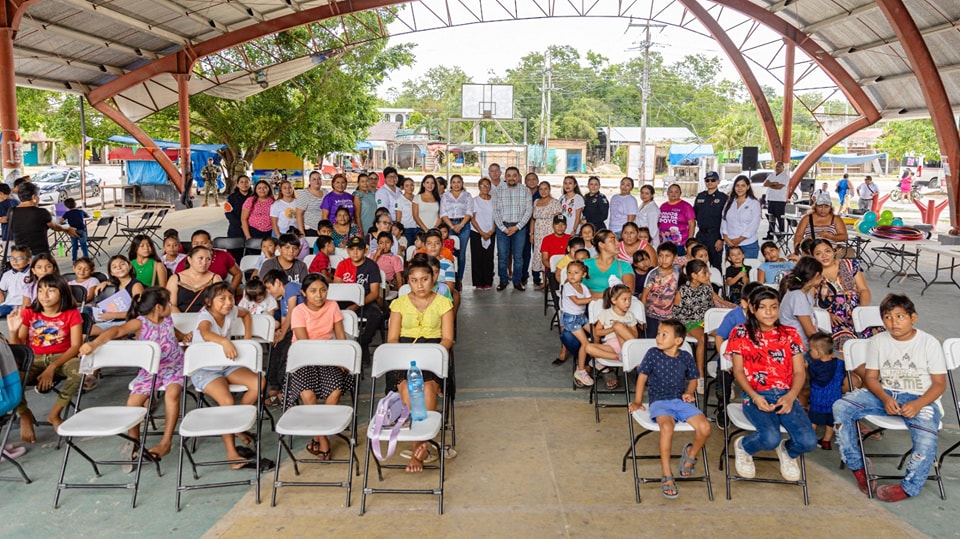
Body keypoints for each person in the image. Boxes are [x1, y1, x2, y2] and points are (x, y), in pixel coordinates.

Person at [833, 293, 946, 502]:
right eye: (887, 317)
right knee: (841, 407)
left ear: (913, 317)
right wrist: (885, 398)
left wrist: (918, 403)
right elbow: (871, 377)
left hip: (921, 398)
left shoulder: (929, 343)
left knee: (927, 439)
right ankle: (859, 467)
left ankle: (909, 487)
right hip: (886, 393)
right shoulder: (878, 341)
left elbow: (940, 384)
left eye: (900, 316)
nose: (893, 322)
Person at [79, 287, 187, 460]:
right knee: (132, 402)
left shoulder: (167, 319)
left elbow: (171, 331)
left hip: (174, 366)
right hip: (150, 369)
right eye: (168, 303)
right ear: (158, 307)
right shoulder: (140, 322)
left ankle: (166, 442)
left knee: (172, 394)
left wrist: (182, 336)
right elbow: (116, 331)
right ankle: (134, 440)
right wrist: (94, 344)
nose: (171, 305)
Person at [727, 287, 816, 481]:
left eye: (774, 307)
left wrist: (792, 396)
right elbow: (739, 371)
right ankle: (744, 446)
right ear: (751, 308)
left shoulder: (790, 333)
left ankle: (787, 451)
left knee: (808, 442)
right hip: (755, 394)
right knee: (770, 437)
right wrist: (755, 396)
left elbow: (800, 372)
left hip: (786, 394)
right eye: (763, 307)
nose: (769, 312)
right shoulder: (740, 333)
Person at [191, 282, 272, 471]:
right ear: (209, 302)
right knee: (226, 401)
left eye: (230, 298)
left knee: (258, 381)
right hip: (205, 369)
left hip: (226, 365)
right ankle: (232, 454)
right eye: (222, 299)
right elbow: (205, 332)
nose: (228, 302)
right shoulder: (206, 317)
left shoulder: (232, 310)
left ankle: (236, 425)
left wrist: (248, 337)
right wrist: (224, 342)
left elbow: (245, 314)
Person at [385, 256, 455, 472]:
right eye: (414, 281)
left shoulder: (444, 303)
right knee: (408, 388)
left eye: (424, 279)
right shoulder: (399, 303)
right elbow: (393, 340)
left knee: (427, 390)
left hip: (434, 351)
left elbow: (447, 339)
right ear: (408, 282)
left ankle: (420, 448)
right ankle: (420, 447)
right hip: (404, 353)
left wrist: (432, 355)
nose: (419, 285)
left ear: (433, 278)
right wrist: (407, 357)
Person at [628, 319, 711, 499]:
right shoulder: (652, 354)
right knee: (667, 427)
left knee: (705, 427)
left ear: (678, 340)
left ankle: (690, 455)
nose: (658, 337)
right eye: (658, 333)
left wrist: (689, 392)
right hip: (660, 402)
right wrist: (637, 401)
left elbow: (693, 379)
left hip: (680, 402)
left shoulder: (686, 356)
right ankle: (666, 474)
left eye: (663, 335)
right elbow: (642, 378)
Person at [8, 274, 83, 441]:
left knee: (79, 369)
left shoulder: (71, 313)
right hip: (32, 360)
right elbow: (18, 346)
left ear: (62, 293)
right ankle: (24, 414)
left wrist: (52, 367)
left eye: (51, 290)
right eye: (40, 290)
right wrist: (13, 331)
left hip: (62, 359)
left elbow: (76, 346)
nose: (44, 295)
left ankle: (54, 414)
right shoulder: (29, 313)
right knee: (11, 378)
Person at [287, 273, 350, 459]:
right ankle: (322, 439)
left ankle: (317, 433)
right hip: (304, 358)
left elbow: (340, 335)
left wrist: (341, 357)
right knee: (308, 394)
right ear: (304, 292)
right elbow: (304, 343)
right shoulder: (299, 310)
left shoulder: (333, 306)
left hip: (328, 355)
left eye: (323, 290)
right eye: (313, 291)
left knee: (335, 391)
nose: (319, 295)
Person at [712, 281, 766, 424]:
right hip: (731, 358)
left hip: (754, 360)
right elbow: (719, 337)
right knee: (723, 378)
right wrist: (727, 361)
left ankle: (751, 405)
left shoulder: (763, 317)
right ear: (744, 303)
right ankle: (722, 407)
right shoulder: (733, 317)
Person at [674, 259, 728, 393]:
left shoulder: (708, 288)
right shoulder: (683, 291)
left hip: (707, 321)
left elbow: (714, 305)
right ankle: (700, 376)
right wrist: (682, 329)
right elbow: (676, 313)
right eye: (704, 273)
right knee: (702, 339)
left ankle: (725, 373)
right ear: (694, 275)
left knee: (725, 336)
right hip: (690, 322)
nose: (708, 275)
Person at [811, 238, 874, 352]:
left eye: (827, 251)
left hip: (856, 315)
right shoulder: (812, 274)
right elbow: (809, 302)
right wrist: (825, 315)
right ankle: (848, 369)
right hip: (834, 321)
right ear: (812, 257)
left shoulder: (849, 265)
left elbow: (864, 290)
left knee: (878, 334)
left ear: (834, 251)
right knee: (846, 340)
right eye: (818, 253)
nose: (824, 256)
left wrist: (860, 311)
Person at [333, 236, 383, 365]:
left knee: (376, 315)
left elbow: (374, 293)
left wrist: (356, 305)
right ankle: (341, 348)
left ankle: (362, 343)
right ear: (348, 251)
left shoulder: (372, 266)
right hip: (344, 300)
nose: (355, 252)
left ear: (365, 250)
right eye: (352, 249)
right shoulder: (342, 264)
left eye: (359, 249)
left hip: (366, 300)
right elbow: (336, 288)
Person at [584, 284, 639, 389]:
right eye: (624, 300)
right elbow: (597, 332)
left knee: (619, 326)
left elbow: (635, 335)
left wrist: (623, 328)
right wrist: (612, 329)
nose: (628, 303)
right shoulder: (606, 313)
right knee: (588, 347)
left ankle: (633, 354)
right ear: (614, 300)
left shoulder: (630, 316)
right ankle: (621, 357)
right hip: (612, 349)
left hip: (626, 345)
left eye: (630, 300)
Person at [494, 166, 533, 291]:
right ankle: (503, 281)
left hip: (519, 228)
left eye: (514, 175)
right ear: (505, 177)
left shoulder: (525, 191)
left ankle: (517, 281)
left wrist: (517, 227)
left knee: (518, 256)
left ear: (518, 177)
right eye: (509, 175)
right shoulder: (498, 191)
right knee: (503, 256)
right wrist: (503, 228)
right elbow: (495, 211)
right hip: (502, 228)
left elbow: (529, 210)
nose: (511, 178)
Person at [8, 182, 76, 255]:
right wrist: (67, 229)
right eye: (38, 195)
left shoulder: (11, 211)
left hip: (22, 255)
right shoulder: (41, 212)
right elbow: (55, 227)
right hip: (39, 254)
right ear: (34, 197)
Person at [777, 256, 823, 353]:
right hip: (799, 349)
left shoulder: (803, 293)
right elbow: (810, 332)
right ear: (817, 275)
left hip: (805, 345)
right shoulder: (798, 296)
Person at [805, 332, 842, 450]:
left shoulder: (814, 366)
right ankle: (826, 442)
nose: (809, 353)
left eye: (810, 350)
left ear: (818, 352)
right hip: (835, 399)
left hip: (817, 399)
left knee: (813, 420)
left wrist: (806, 368)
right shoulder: (840, 364)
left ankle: (807, 440)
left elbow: (811, 378)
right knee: (830, 421)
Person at [175, 230, 242, 292]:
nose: (199, 246)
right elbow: (177, 281)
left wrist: (230, 290)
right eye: (195, 243)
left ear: (211, 243)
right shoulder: (187, 260)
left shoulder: (223, 256)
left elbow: (238, 273)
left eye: (204, 243)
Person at [556, 259, 591, 371]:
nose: (572, 275)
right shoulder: (568, 286)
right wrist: (593, 298)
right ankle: (581, 368)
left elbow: (589, 300)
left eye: (576, 273)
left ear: (583, 274)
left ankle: (597, 360)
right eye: (569, 272)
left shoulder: (583, 287)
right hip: (571, 319)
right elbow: (577, 301)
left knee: (596, 334)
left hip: (581, 317)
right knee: (585, 342)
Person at [641, 242, 680, 338]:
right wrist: (642, 318)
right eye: (661, 256)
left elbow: (678, 293)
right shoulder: (653, 274)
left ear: (675, 257)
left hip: (669, 315)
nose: (663, 259)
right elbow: (644, 295)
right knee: (652, 340)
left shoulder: (677, 272)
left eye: (667, 256)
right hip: (651, 315)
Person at [440, 174, 473, 285]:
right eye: (454, 182)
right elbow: (443, 213)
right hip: (449, 226)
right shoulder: (445, 196)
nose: (456, 184)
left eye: (458, 182)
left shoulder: (467, 196)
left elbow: (469, 212)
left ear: (462, 183)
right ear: (450, 184)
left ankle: (459, 279)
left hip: (464, 225)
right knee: (448, 252)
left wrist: (461, 225)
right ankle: (449, 278)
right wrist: (452, 226)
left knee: (461, 254)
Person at [167, 246, 222, 313]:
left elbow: (219, 304)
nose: (205, 262)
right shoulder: (175, 279)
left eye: (208, 259)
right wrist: (183, 319)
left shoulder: (215, 278)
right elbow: (171, 305)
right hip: (180, 319)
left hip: (206, 318)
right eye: (200, 258)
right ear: (189, 259)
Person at [582, 229, 635, 298]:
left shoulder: (624, 266)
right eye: (612, 241)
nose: (618, 243)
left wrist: (594, 295)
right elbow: (572, 285)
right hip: (586, 305)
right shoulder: (585, 264)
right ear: (601, 245)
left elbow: (629, 289)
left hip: (614, 306)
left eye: (617, 240)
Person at [720, 175, 762, 259]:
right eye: (737, 185)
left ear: (748, 187)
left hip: (747, 245)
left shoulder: (754, 203)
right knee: (732, 270)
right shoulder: (730, 202)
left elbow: (754, 225)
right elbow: (724, 220)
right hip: (730, 244)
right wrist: (725, 237)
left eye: (743, 185)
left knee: (745, 270)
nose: (740, 188)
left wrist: (740, 239)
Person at [529, 182, 562, 289]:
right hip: (538, 234)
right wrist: (532, 233)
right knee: (541, 256)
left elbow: (559, 220)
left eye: (545, 189)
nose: (543, 191)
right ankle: (544, 282)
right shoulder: (536, 202)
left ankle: (551, 281)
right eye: (541, 189)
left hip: (549, 232)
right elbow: (533, 219)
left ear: (549, 189)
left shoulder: (555, 202)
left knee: (550, 256)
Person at [693, 171, 728, 269]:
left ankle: (717, 284)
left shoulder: (723, 198)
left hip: (715, 235)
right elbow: (694, 214)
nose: (710, 182)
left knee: (716, 264)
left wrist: (721, 239)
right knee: (699, 263)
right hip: (701, 234)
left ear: (718, 181)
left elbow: (726, 220)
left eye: (713, 180)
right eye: (707, 180)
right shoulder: (700, 196)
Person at [470, 178, 496, 290]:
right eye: (482, 185)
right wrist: (481, 232)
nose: (485, 188)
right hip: (477, 232)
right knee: (477, 257)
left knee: (488, 258)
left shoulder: (494, 200)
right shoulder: (474, 200)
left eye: (487, 185)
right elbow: (472, 218)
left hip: (491, 232)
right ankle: (478, 282)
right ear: (478, 187)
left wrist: (491, 231)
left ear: (490, 187)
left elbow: (496, 217)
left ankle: (488, 281)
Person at [658, 184, 696, 254]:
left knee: (678, 264)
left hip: (680, 244)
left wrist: (689, 242)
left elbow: (692, 225)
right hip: (664, 243)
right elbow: (659, 223)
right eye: (671, 192)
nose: (673, 194)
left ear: (680, 193)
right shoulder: (663, 206)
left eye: (676, 192)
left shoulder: (686, 206)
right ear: (667, 193)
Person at [539, 215, 571, 292]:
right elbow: (545, 259)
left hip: (569, 269)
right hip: (552, 269)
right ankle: (557, 303)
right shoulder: (547, 239)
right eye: (557, 224)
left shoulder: (570, 238)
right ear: (553, 226)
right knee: (554, 280)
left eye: (563, 224)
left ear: (566, 226)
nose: (560, 227)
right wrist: (557, 269)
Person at [0, 245, 30, 316]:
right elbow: (1, 289)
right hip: (9, 304)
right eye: (12, 258)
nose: (15, 261)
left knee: (26, 315)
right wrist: (1, 302)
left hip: (25, 305)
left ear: (29, 260)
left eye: (19, 258)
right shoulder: (7, 274)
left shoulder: (32, 273)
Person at [763, 161, 790, 240]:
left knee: (780, 218)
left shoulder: (785, 177)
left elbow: (779, 187)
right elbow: (765, 184)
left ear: (782, 168)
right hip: (770, 199)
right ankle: (770, 235)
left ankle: (781, 235)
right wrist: (774, 183)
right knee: (771, 218)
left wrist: (770, 184)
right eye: (776, 166)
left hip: (779, 200)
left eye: (779, 166)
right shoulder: (772, 175)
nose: (777, 168)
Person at [295, 170, 326, 236]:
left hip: (324, 230)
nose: (317, 181)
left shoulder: (325, 192)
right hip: (310, 229)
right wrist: (301, 232)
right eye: (314, 179)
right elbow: (298, 214)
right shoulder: (304, 193)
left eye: (319, 179)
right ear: (310, 181)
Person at [395, 177, 418, 247]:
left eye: (411, 185)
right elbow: (398, 219)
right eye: (407, 186)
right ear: (403, 187)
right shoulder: (399, 200)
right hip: (406, 229)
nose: (410, 187)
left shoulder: (417, 198)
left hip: (417, 227)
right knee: (409, 249)